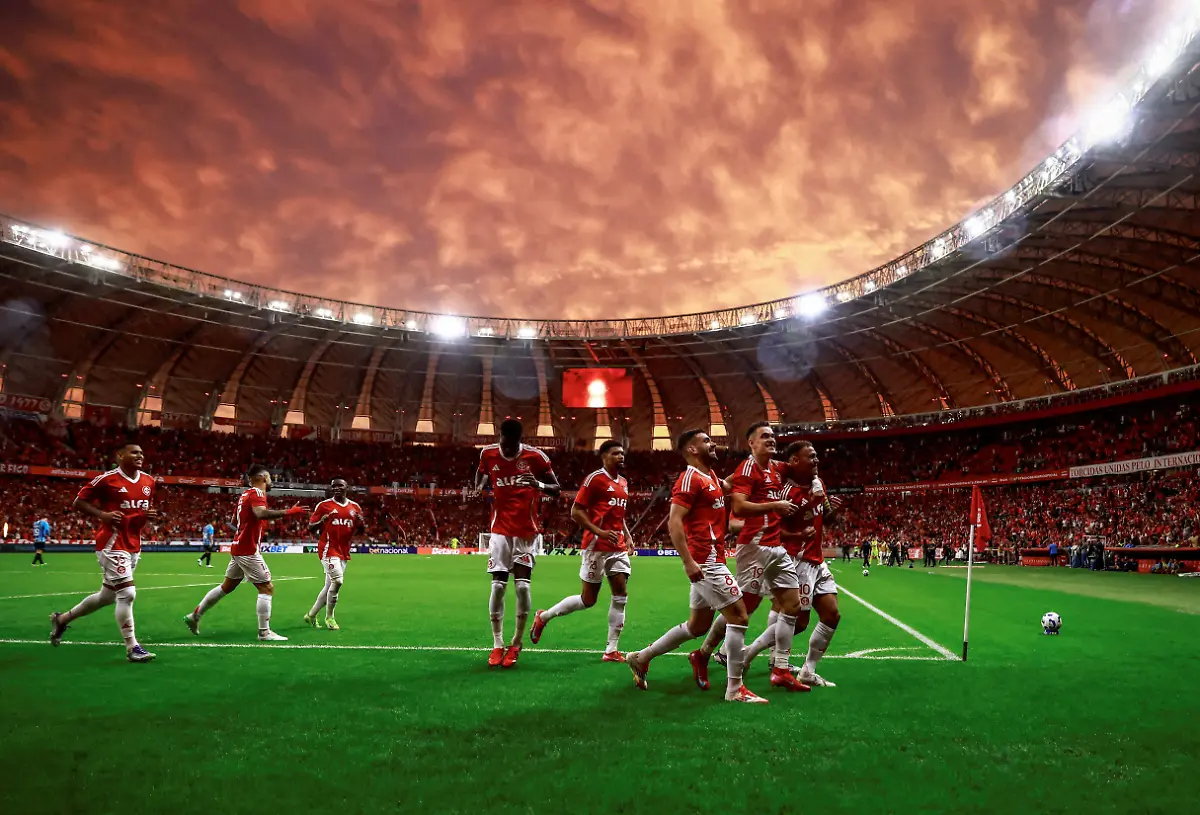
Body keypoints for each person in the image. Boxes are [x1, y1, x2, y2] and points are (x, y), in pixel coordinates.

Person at [625, 429, 768, 704]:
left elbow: (730, 483)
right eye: (706, 441)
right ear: (691, 449)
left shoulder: (710, 477)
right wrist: (688, 561)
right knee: (738, 616)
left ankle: (641, 659)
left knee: (697, 625)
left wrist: (754, 459)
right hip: (705, 561)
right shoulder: (689, 477)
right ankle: (735, 689)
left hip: (710, 558)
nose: (712, 444)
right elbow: (674, 521)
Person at [691, 422, 809, 693]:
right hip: (754, 549)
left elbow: (797, 467)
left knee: (793, 605)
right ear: (752, 444)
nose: (771, 439)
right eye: (764, 436)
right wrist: (776, 505)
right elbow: (740, 506)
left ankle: (780, 668)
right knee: (744, 609)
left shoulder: (777, 468)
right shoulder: (748, 468)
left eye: (772, 436)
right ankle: (705, 652)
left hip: (775, 547)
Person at [49, 441, 161, 662]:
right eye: (134, 452)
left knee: (106, 597)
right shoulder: (107, 479)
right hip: (111, 543)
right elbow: (78, 502)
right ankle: (132, 647)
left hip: (133, 544)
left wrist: (146, 517)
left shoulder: (149, 481)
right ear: (120, 455)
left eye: (141, 452)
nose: (140, 456)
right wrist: (103, 515)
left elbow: (138, 512)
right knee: (127, 594)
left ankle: (61, 620)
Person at [744, 441, 844, 687]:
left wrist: (834, 512)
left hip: (817, 561)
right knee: (798, 621)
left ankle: (808, 670)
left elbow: (826, 518)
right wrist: (798, 535)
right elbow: (773, 530)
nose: (817, 461)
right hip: (796, 560)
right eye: (811, 457)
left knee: (832, 615)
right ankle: (748, 653)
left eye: (817, 456)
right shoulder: (785, 493)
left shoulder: (819, 484)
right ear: (794, 462)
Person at [531, 440, 634, 661]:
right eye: (616, 453)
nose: (621, 456)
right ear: (604, 456)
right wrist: (600, 531)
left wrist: (628, 534)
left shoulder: (624, 482)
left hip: (617, 547)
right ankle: (544, 617)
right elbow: (576, 511)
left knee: (621, 593)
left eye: (622, 453)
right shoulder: (594, 479)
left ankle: (611, 650)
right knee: (588, 599)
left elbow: (619, 514)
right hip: (595, 546)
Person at [183, 465, 308, 641]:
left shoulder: (244, 495)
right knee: (266, 588)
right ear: (264, 477)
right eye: (270, 478)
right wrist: (288, 512)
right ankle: (264, 632)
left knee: (227, 586)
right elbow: (260, 513)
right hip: (247, 549)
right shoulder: (257, 493)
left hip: (239, 546)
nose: (271, 481)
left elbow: (235, 521)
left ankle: (194, 616)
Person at [475, 419, 561, 668]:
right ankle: (497, 644)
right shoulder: (488, 453)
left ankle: (516, 642)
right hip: (500, 530)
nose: (509, 449)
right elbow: (480, 473)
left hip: (526, 532)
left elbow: (556, 488)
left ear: (519, 440)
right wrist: (478, 487)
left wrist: (538, 484)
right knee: (498, 588)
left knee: (522, 588)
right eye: (505, 443)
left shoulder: (536, 457)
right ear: (500, 437)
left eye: (514, 445)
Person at [304, 478, 365, 630]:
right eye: (334, 486)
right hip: (328, 548)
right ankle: (330, 617)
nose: (337, 488)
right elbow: (310, 527)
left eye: (340, 486)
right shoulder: (324, 506)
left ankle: (311, 615)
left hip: (344, 550)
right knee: (337, 581)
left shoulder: (355, 507)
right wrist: (321, 521)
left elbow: (361, 530)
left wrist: (361, 522)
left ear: (347, 488)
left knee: (329, 586)